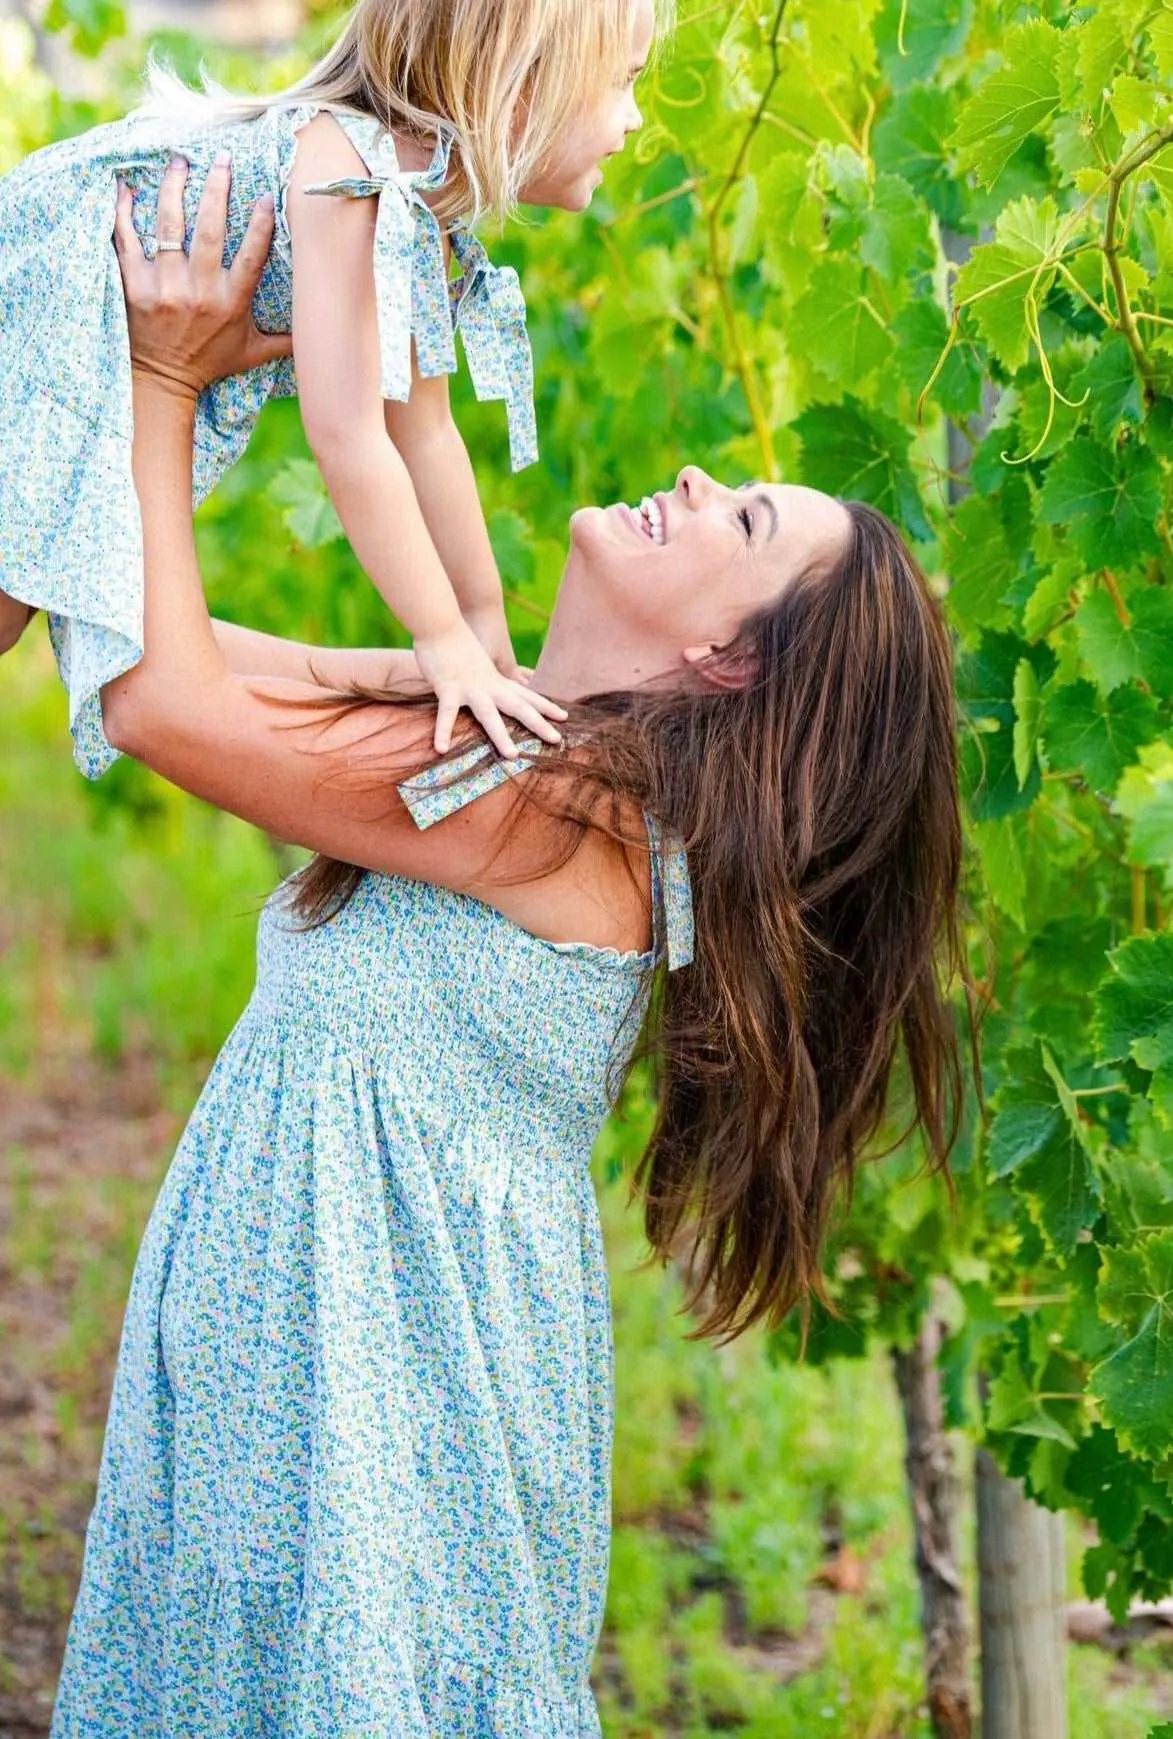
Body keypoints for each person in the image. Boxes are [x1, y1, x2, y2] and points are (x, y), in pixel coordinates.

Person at [48, 165, 970, 1735]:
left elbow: (159, 700)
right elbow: (174, 648)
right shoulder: (531, 749)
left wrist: (156, 377)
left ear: (724, 658)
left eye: (739, 518)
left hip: (373, 1359)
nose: (691, 477)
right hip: (355, 1334)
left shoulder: (572, 810)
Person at [0, 0, 660, 775]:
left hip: (94, 322)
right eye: (622, 84)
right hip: (53, 287)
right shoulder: (351, 173)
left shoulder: (416, 207)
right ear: (523, 91)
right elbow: (349, 435)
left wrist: (484, 634)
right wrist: (439, 640)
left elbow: (426, 433)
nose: (637, 117)